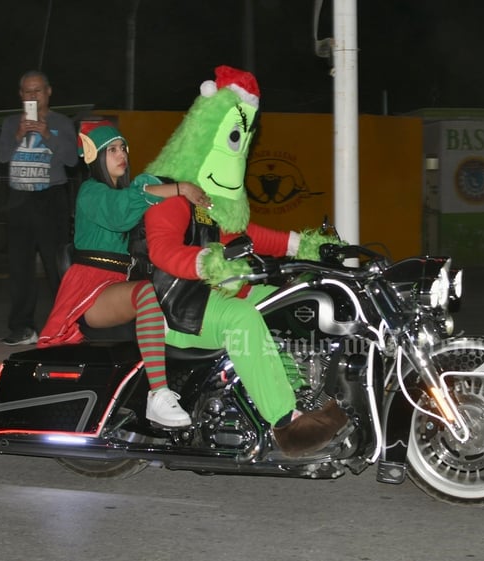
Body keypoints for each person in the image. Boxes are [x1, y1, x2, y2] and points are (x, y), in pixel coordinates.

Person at [142, 65, 348, 456]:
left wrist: (305, 246)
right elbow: (162, 251)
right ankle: (286, 424)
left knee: (286, 303)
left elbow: (250, 236)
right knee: (243, 319)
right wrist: (209, 263)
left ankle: (301, 392)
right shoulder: (169, 197)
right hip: (178, 305)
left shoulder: (211, 205)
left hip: (212, 297)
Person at [37, 121, 211, 427]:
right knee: (144, 292)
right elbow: (119, 213)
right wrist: (181, 188)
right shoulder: (91, 192)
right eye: (112, 150)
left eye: (123, 149)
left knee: (168, 295)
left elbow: (146, 196)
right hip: (89, 287)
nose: (122, 155)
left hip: (113, 283)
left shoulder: (130, 191)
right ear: (95, 158)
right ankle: (158, 394)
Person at [0, 70, 78, 346]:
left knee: (57, 268)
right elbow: (2, 156)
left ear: (49, 92)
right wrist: (19, 134)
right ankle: (22, 328)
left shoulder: (61, 122)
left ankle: (64, 327)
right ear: (21, 95)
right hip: (20, 199)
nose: (33, 96)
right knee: (20, 268)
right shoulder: (10, 123)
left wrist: (47, 135)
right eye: (28, 92)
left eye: (38, 90)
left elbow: (71, 160)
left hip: (51, 199)